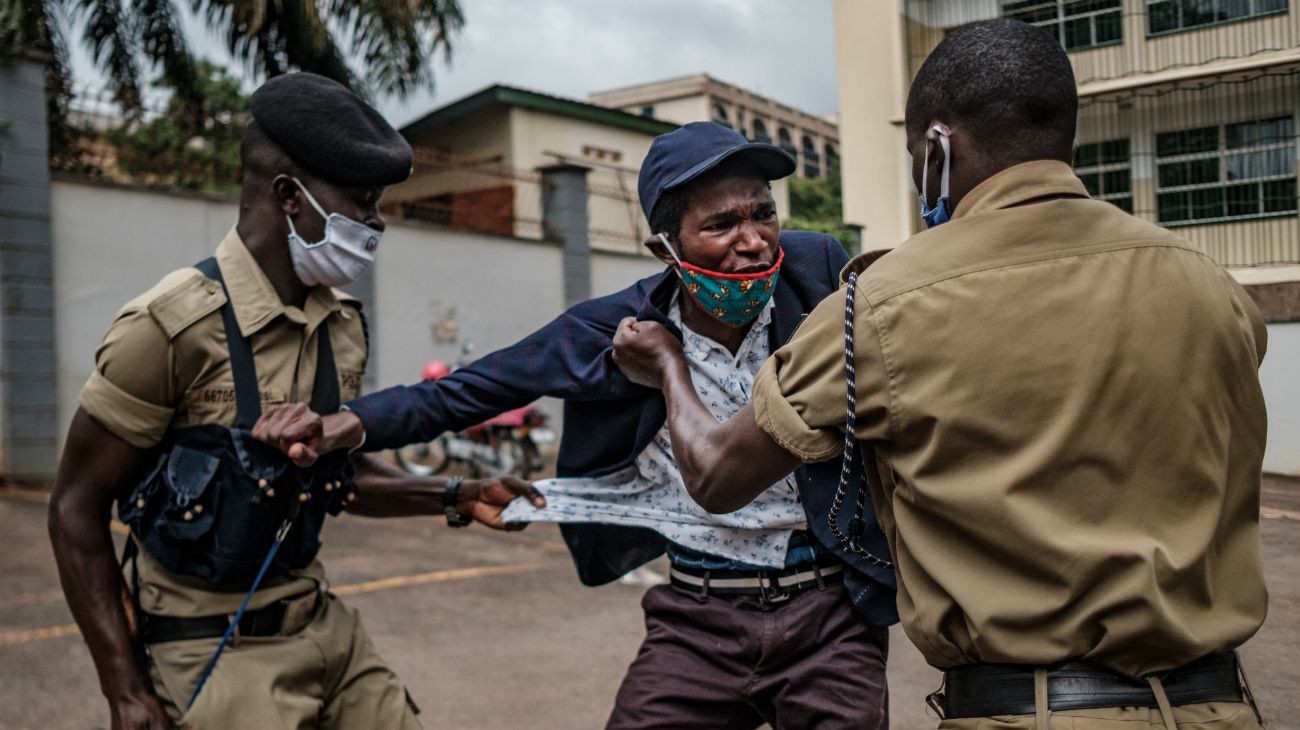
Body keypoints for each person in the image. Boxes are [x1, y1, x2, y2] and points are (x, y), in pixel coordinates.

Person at [610, 19, 1270, 730]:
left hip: (1029, 711)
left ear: (937, 148)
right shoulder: (1213, 289)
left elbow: (714, 475)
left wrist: (667, 366)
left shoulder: (884, 305)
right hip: (1219, 705)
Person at [254, 121, 896, 729]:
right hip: (697, 618)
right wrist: (348, 423)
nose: (753, 240)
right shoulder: (615, 332)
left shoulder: (815, 276)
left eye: (762, 213)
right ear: (666, 248)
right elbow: (471, 390)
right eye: (721, 224)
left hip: (829, 612)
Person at [47, 72, 543, 730]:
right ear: (289, 196)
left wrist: (455, 493)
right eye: (363, 204)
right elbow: (75, 509)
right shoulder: (170, 326)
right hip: (210, 651)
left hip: (326, 630)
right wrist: (125, 692)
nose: (376, 223)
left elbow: (335, 476)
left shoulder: (340, 327)